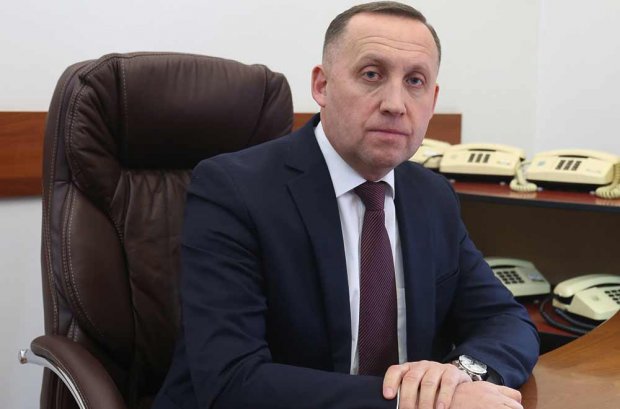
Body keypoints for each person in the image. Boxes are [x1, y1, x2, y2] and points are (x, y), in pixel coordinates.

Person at [153, 2, 539, 409]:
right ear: (321, 85)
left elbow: (506, 320)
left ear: (433, 99)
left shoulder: (433, 195)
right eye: (372, 74)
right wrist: (416, 402)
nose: (395, 103)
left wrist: (458, 377)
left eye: (415, 81)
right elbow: (232, 380)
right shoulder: (232, 189)